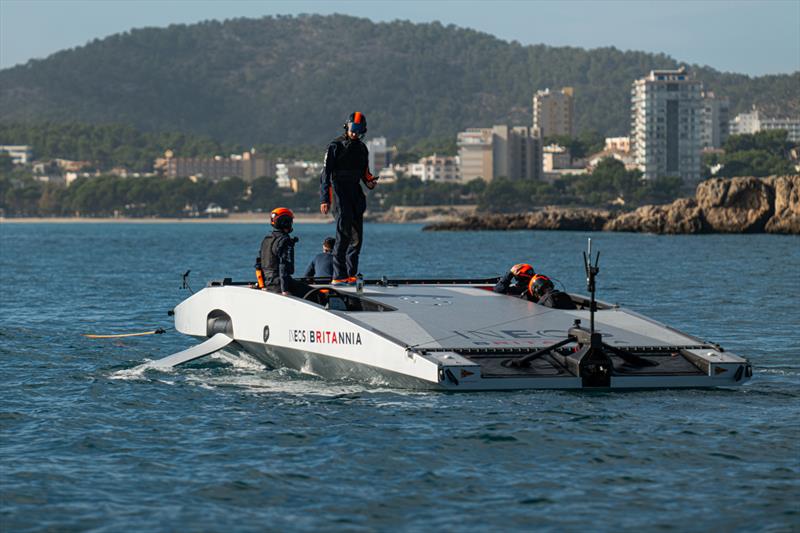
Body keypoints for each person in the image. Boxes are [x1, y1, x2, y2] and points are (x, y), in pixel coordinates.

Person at [319, 111, 378, 286]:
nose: (355, 133)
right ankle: (339, 275)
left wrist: (369, 182)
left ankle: (351, 274)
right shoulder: (334, 146)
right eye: (353, 129)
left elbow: (365, 173)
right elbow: (325, 174)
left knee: (357, 238)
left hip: (355, 193)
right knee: (343, 234)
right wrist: (325, 199)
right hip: (339, 192)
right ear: (347, 127)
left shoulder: (362, 148)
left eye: (358, 130)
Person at [257, 207, 314, 298]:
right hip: (281, 285)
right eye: (290, 221)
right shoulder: (284, 240)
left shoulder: (266, 240)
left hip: (268, 284)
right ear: (285, 222)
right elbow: (283, 266)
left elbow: (258, 265)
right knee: (317, 295)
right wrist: (284, 290)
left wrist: (262, 286)